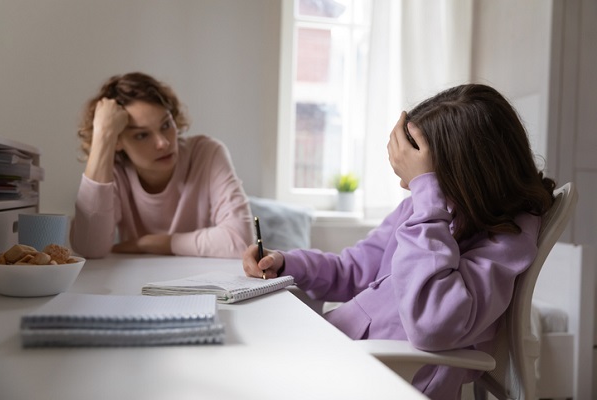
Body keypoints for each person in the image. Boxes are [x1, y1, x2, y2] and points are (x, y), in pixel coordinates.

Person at [242, 84, 556, 400]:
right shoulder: (426, 209)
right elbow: (353, 270)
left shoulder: (503, 241)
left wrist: (427, 195)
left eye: (421, 172)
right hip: (339, 352)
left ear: (461, 172)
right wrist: (287, 262)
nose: (405, 183)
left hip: (379, 378)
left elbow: (432, 321)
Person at [71, 72, 253, 259]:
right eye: (142, 135)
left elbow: (241, 241)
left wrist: (152, 243)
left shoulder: (207, 153)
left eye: (166, 125)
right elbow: (89, 248)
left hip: (202, 277)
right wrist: (102, 136)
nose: (163, 143)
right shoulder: (114, 171)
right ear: (117, 141)